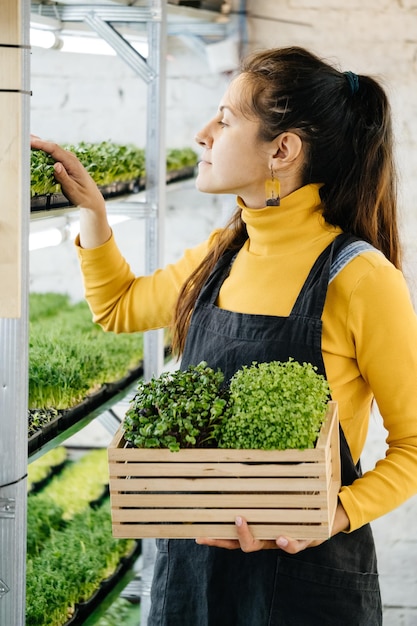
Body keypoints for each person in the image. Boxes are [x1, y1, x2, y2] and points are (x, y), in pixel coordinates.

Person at [31, 46, 417, 626]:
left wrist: (329, 516)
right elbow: (118, 307)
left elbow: (413, 447)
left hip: (304, 581)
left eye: (226, 118)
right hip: (193, 573)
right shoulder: (224, 253)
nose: (203, 133)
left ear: (282, 149)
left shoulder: (360, 277)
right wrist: (93, 212)